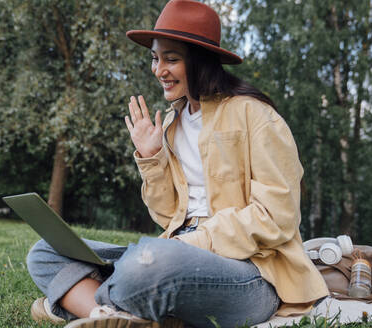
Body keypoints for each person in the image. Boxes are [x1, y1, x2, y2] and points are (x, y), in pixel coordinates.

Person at [26, 1, 329, 327]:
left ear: (200, 62)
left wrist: (194, 241)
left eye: (171, 59)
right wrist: (151, 158)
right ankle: (110, 314)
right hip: (172, 252)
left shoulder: (255, 115)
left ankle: (75, 303)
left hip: (251, 272)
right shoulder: (173, 124)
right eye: (155, 59)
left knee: (150, 262)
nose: (159, 70)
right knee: (44, 252)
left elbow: (277, 216)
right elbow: (169, 216)